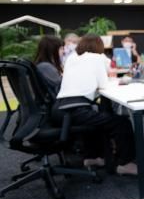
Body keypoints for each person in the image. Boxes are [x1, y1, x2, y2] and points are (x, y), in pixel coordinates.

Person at [53, 34, 138, 174]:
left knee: (98, 117)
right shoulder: (97, 58)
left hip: (58, 110)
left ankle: (92, 157)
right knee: (121, 123)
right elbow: (103, 85)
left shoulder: (71, 58)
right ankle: (125, 163)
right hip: (75, 110)